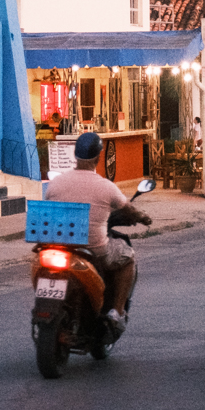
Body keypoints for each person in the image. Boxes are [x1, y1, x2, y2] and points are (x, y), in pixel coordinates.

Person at [43, 130, 149, 335]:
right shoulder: (106, 187)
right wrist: (142, 217)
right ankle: (116, 312)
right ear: (99, 157)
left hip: (59, 245)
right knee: (128, 258)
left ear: (75, 155)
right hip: (95, 250)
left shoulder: (55, 184)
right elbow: (128, 209)